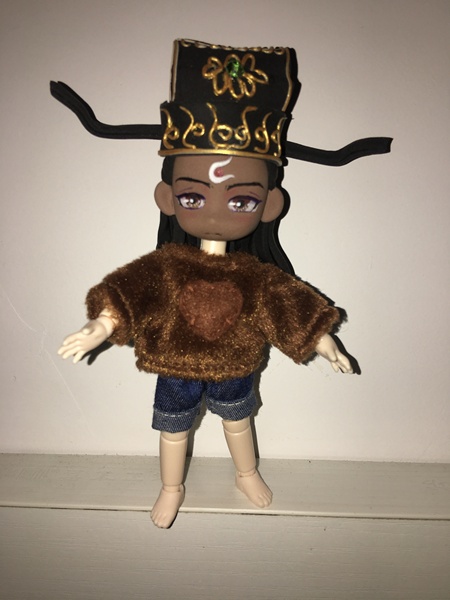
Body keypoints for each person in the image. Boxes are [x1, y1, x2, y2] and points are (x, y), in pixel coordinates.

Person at [54, 40, 389, 528]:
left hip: (235, 364)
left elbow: (286, 304)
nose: (214, 212)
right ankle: (171, 487)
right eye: (193, 197)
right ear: (167, 198)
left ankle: (246, 473)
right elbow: (132, 290)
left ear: (269, 206)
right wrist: (102, 325)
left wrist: (323, 340)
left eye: (241, 201)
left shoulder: (254, 274)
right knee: (173, 431)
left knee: (238, 421)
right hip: (175, 366)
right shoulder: (168, 265)